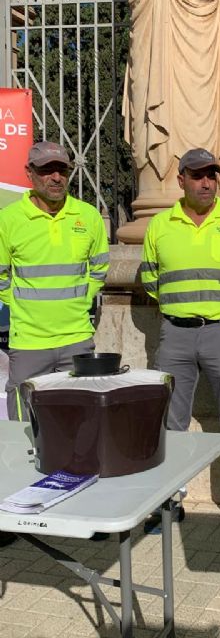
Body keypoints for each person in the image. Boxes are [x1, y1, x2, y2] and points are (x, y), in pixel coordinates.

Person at [141, 148, 220, 538]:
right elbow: (150, 279)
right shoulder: (160, 226)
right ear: (181, 180)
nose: (206, 182)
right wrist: (181, 309)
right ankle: (169, 501)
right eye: (197, 175)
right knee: (170, 420)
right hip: (175, 335)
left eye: (212, 175)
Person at [0, 141, 109, 546]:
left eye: (62, 169)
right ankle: (15, 514)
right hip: (28, 343)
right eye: (46, 170)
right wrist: (24, 309)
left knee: (82, 427)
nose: (56, 177)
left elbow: (99, 269)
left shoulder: (87, 216)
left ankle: (87, 511)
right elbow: (1, 276)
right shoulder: (9, 219)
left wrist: (79, 303)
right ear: (29, 174)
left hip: (76, 340)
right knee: (23, 431)